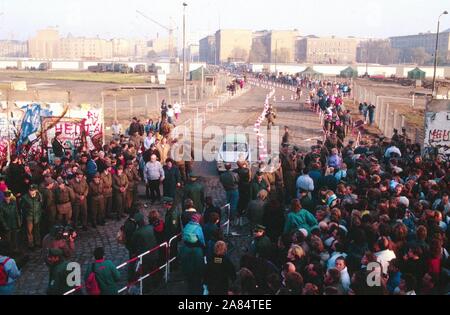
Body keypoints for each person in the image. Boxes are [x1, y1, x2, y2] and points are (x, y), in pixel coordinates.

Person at [180, 213, 206, 295]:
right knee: (197, 268)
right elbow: (201, 239)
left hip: (186, 247)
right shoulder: (198, 227)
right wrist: (204, 246)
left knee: (189, 267)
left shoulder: (187, 225)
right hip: (196, 248)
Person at [20, 185, 43, 250]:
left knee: (37, 230)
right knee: (29, 231)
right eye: (30, 191)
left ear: (36, 190)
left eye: (33, 191)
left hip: (37, 216)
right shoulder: (25, 198)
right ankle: (31, 244)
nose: (31, 192)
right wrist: (27, 214)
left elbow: (41, 205)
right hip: (29, 217)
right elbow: (22, 207)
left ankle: (37, 243)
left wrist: (39, 213)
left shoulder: (39, 196)